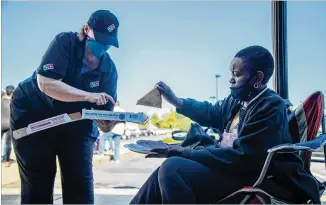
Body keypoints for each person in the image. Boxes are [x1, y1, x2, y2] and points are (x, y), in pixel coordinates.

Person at [131, 46, 319, 204]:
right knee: (163, 172)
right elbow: (211, 112)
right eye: (231, 74)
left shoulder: (270, 106)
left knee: (173, 169)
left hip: (247, 174)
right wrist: (178, 102)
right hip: (224, 167)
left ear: (257, 78)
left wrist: (183, 151)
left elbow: (244, 158)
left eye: (237, 75)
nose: (231, 79)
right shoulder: (237, 101)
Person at [10, 10, 120, 204]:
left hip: (75, 119)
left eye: (108, 42)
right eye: (100, 38)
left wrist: (109, 123)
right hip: (33, 112)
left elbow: (104, 121)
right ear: (87, 30)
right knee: (39, 182)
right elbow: (46, 84)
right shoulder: (65, 42)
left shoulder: (108, 70)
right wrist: (89, 96)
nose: (103, 46)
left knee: (80, 182)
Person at [1, 85, 15, 167]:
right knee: (8, 143)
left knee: (6, 143)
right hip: (8, 125)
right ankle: (6, 160)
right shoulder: (12, 101)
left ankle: (4, 158)